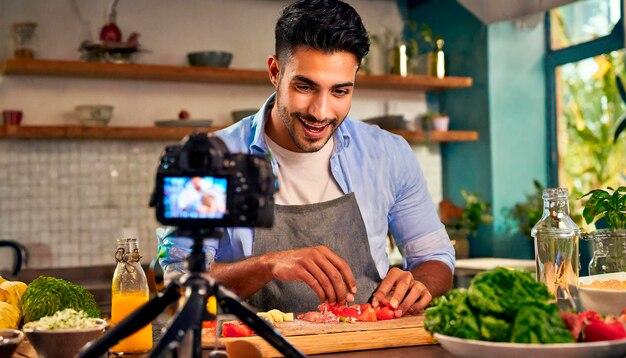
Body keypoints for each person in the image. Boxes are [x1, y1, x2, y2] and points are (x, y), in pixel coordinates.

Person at [160, 0, 454, 316]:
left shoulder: (388, 154)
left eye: (340, 91)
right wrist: (269, 265)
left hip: (367, 342)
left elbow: (435, 258)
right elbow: (179, 282)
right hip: (251, 347)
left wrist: (419, 281)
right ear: (275, 71)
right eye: (305, 86)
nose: (321, 112)